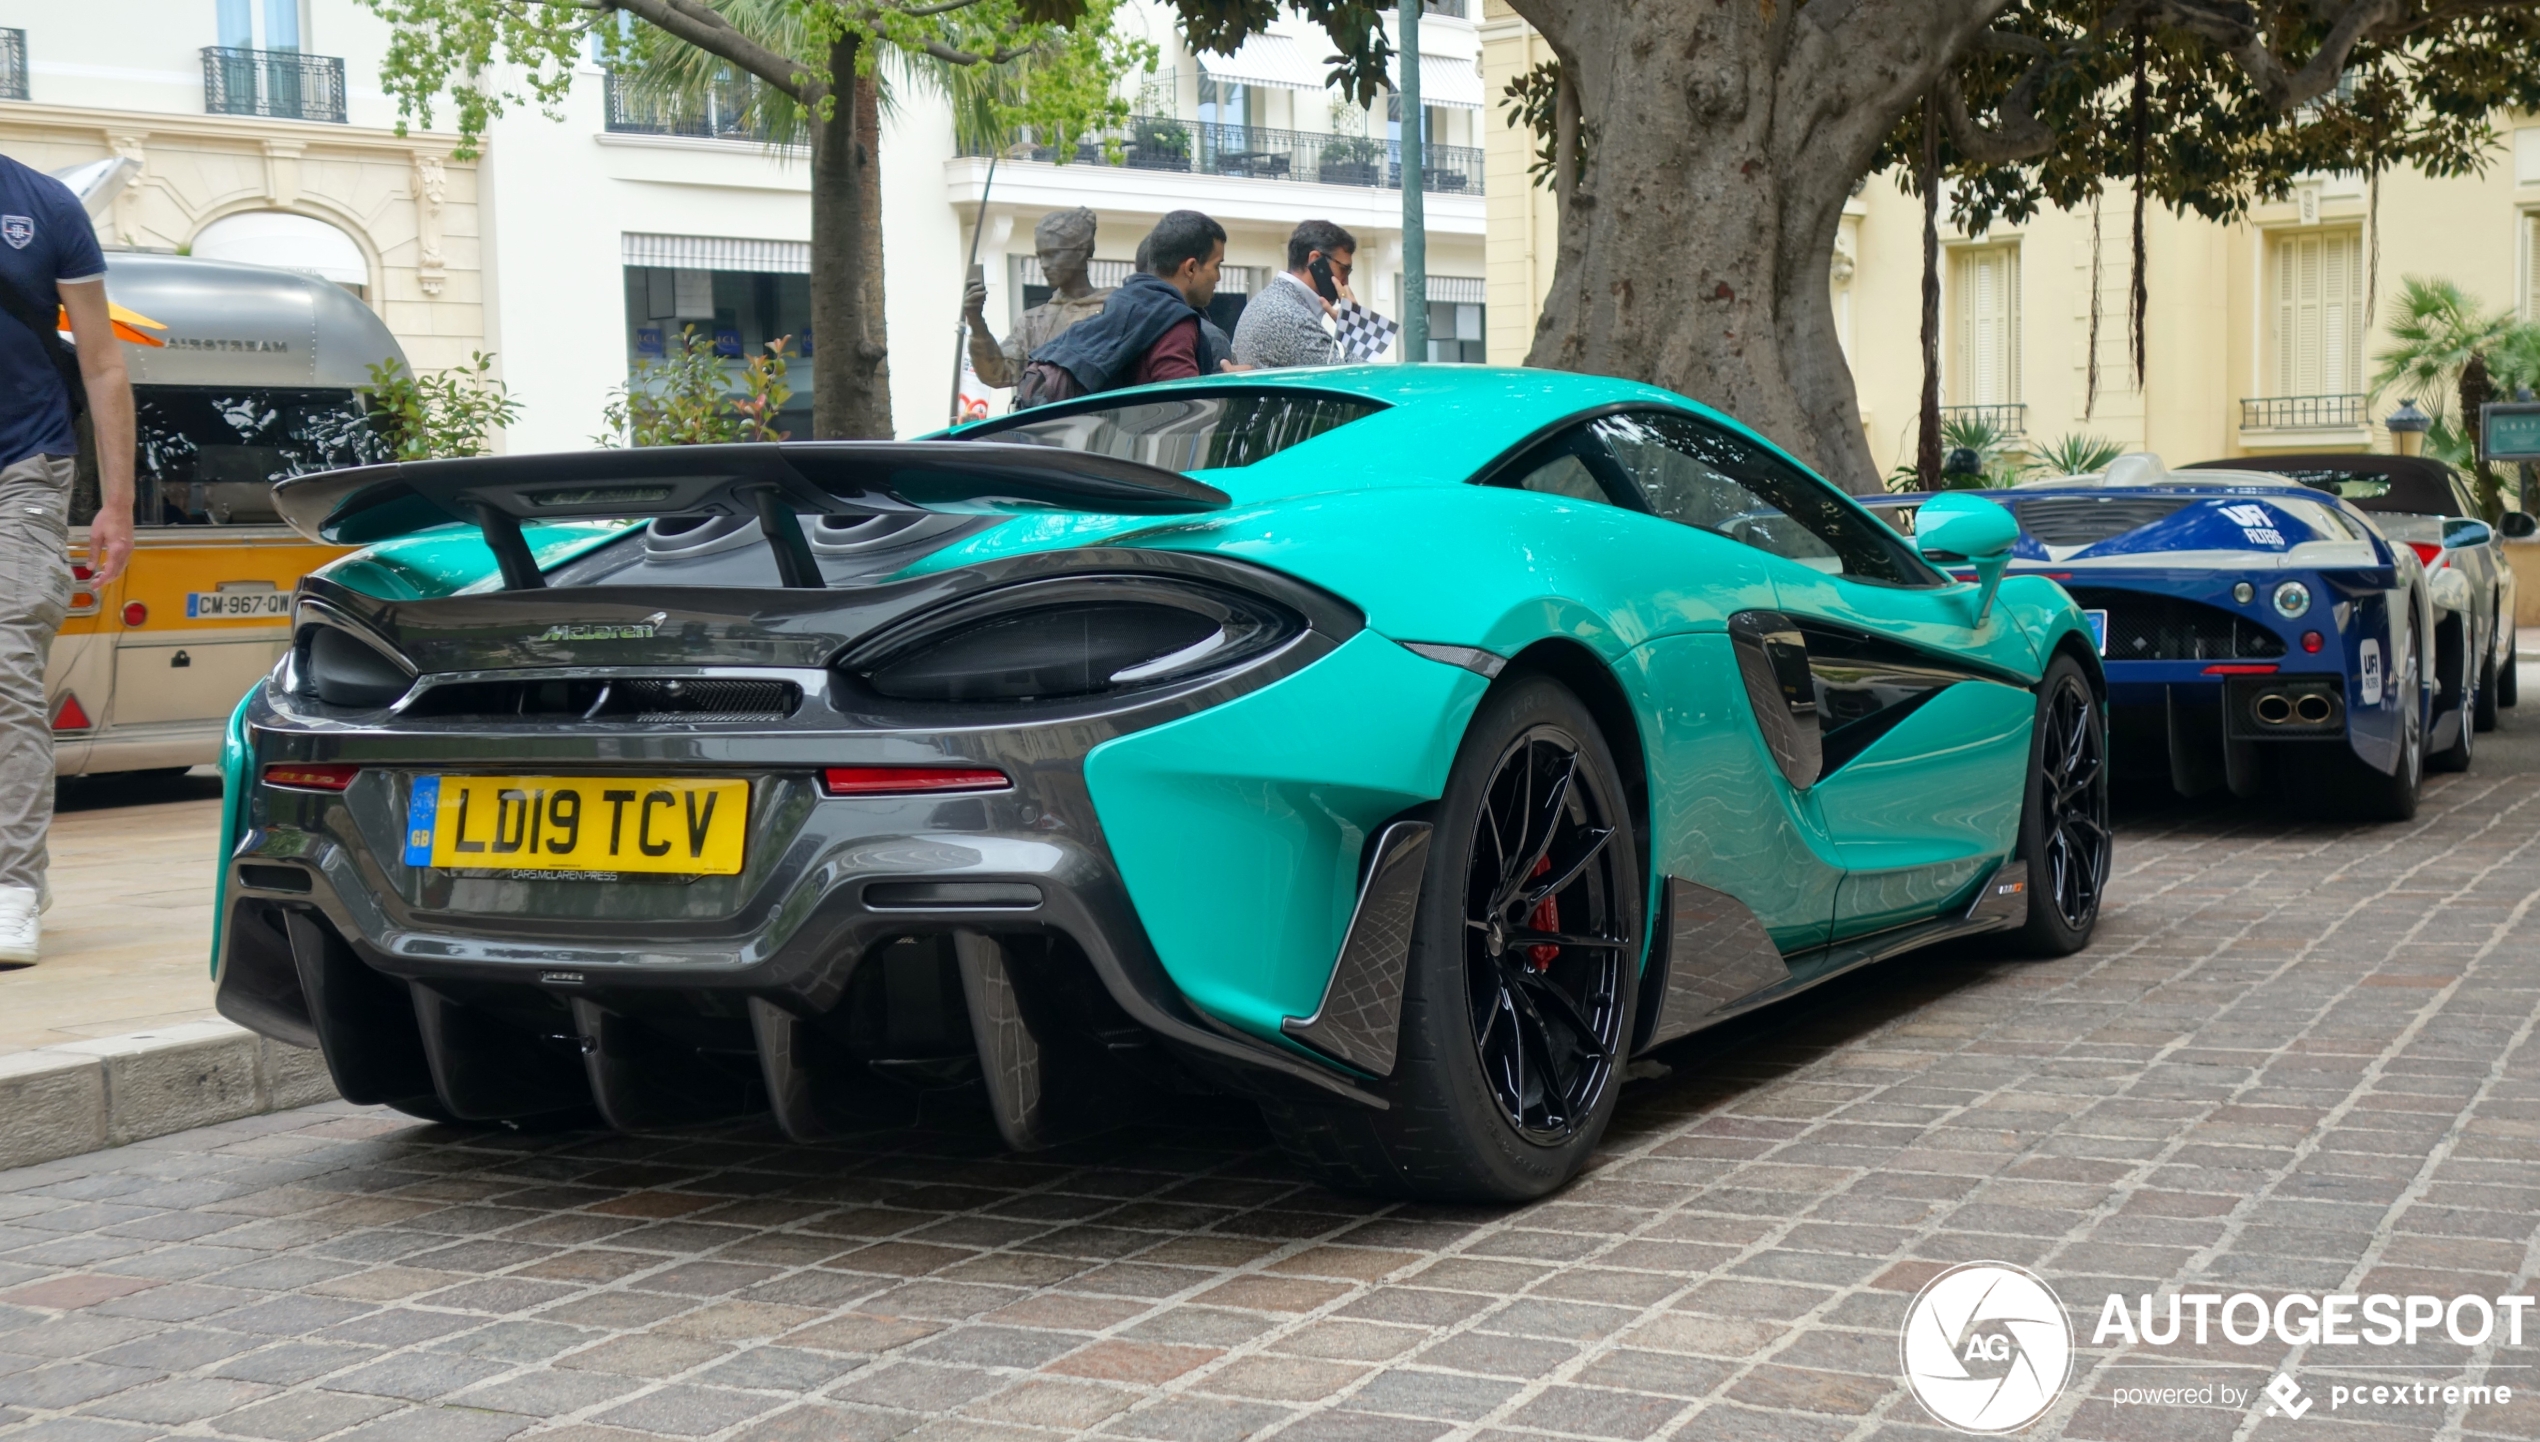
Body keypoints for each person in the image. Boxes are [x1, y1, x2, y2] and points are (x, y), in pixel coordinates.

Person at [0, 154, 136, 964]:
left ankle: (13, 885)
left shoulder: (43, 206)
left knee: (6, 659)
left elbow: (103, 360)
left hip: (25, 468)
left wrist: (114, 502)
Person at [1020, 210, 1230, 405]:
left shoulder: (1124, 303)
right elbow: (1187, 410)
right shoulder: (1174, 322)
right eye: (1216, 265)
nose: (1219, 277)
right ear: (1191, 268)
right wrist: (1229, 388)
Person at [961, 207, 1110, 390]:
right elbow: (998, 373)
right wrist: (976, 321)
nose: (1044, 265)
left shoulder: (1115, 307)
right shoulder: (1033, 322)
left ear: (1079, 251)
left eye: (1052, 254)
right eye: (1040, 257)